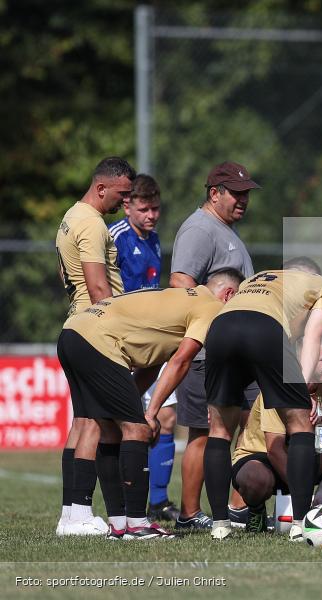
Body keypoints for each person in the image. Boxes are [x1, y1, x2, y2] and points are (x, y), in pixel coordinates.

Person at [57, 269, 243, 539]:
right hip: (99, 339)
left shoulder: (180, 300)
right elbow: (181, 361)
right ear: (228, 294)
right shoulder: (211, 307)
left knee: (108, 426)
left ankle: (119, 524)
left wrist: (136, 408)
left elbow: (151, 366)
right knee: (136, 429)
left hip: (73, 332)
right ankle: (137, 524)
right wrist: (149, 414)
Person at [202, 268, 322, 540]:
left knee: (219, 430)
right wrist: (303, 385)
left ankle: (219, 525)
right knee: (300, 425)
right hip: (264, 328)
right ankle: (300, 523)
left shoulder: (259, 277)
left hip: (220, 327)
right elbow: (312, 337)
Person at [168, 161, 258, 531]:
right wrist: (210, 327)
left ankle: (237, 507)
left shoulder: (226, 230)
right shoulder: (200, 229)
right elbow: (179, 284)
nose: (243, 200)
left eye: (246, 194)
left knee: (253, 421)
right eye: (235, 193)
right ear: (214, 193)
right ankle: (190, 514)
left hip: (237, 351)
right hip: (207, 351)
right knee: (203, 432)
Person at [54, 156, 134, 536]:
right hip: (95, 329)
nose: (124, 202)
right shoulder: (91, 222)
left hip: (75, 323)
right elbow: (98, 285)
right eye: (122, 194)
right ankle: (81, 513)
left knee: (83, 420)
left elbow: (68, 277)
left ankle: (71, 513)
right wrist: (118, 330)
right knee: (97, 424)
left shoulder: (71, 215)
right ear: (101, 188)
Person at [229, 331, 322, 530]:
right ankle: (256, 511)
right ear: (304, 360)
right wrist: (303, 496)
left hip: (303, 455)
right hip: (263, 456)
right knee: (256, 479)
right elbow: (274, 450)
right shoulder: (278, 389)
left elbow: (320, 441)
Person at [108, 173, 178, 522]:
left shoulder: (154, 239)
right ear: (127, 205)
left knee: (166, 416)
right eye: (144, 208)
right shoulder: (114, 237)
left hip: (151, 342)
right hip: (122, 342)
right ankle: (119, 499)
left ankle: (159, 500)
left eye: (156, 208)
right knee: (124, 422)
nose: (151, 215)